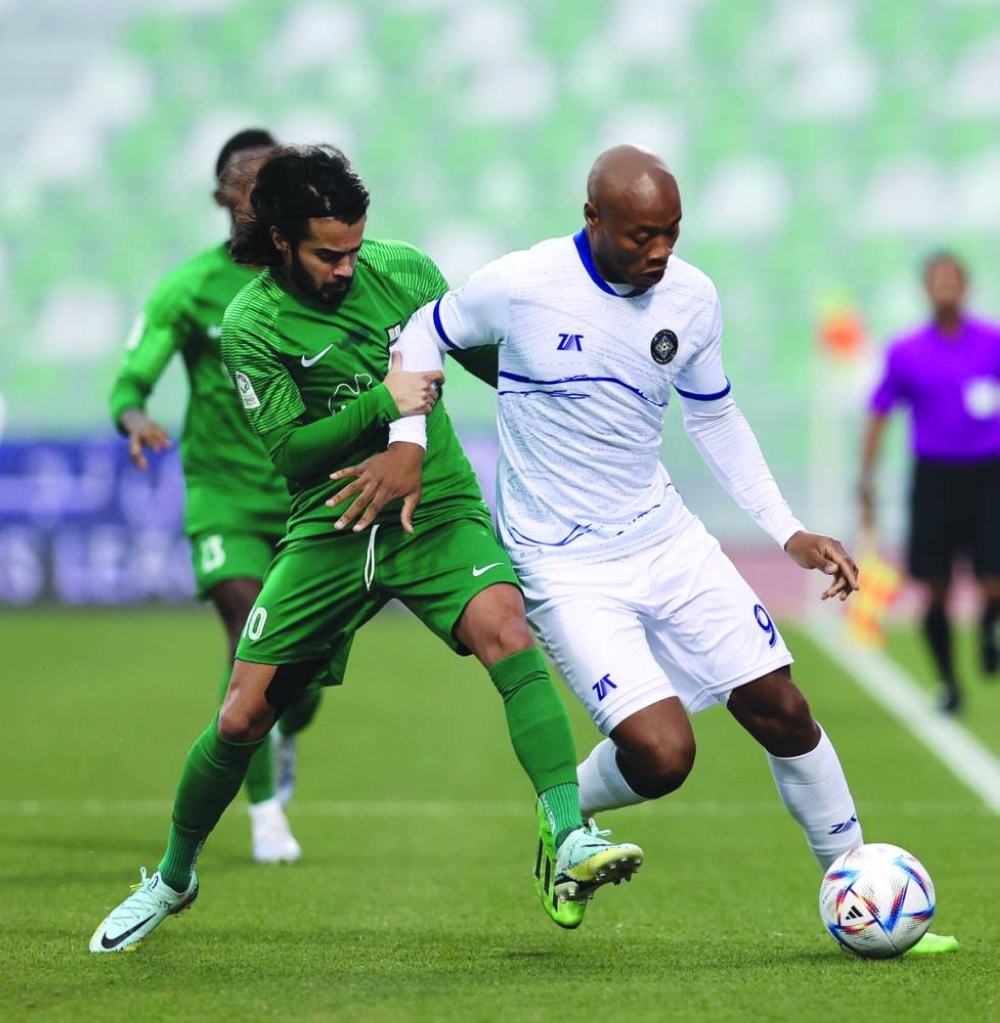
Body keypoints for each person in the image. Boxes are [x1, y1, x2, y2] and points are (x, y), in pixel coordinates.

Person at [341, 144, 956, 952]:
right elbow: (425, 330)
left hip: (666, 539)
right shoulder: (523, 285)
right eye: (640, 236)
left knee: (783, 706)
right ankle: (569, 815)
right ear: (592, 218)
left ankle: (857, 886)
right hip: (563, 565)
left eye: (670, 232)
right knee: (665, 757)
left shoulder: (692, 298)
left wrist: (789, 530)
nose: (659, 250)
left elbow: (713, 417)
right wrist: (409, 437)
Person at [88, 144, 642, 954]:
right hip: (331, 520)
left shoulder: (406, 271)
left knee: (506, 631)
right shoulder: (250, 323)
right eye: (327, 253)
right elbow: (292, 453)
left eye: (354, 247)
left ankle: (569, 836)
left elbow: (488, 360)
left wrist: (580, 385)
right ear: (279, 239)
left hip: (435, 505)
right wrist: (381, 404)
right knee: (243, 714)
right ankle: (173, 876)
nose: (348, 267)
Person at [109, 128, 319, 865]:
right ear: (225, 197)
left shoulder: (314, 275)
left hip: (307, 497)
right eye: (250, 186)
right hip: (223, 493)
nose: (262, 199)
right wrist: (136, 419)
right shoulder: (190, 286)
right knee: (251, 637)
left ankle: (288, 729)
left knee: (305, 675)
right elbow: (133, 381)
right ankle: (266, 816)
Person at [860, 253, 1000, 714]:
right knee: (935, 586)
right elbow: (880, 410)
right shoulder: (907, 351)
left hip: (989, 475)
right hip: (935, 478)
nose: (945, 288)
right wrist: (867, 476)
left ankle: (987, 629)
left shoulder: (992, 342)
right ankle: (948, 682)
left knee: (992, 578)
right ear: (926, 289)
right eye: (936, 281)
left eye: (952, 280)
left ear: (965, 287)